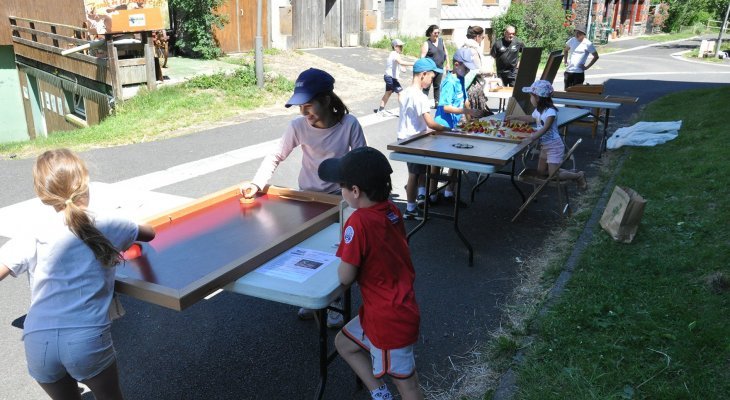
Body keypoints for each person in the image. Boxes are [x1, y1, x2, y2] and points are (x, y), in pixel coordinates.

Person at [0, 148, 155, 400]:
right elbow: (149, 233)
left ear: (43, 196)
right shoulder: (109, 223)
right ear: (85, 184)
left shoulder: (32, 232)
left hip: (38, 341)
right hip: (86, 338)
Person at [240, 67, 366, 328]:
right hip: (308, 199)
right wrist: (257, 183)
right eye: (300, 107)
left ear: (327, 100)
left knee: (339, 253)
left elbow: (362, 160)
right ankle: (311, 298)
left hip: (339, 200)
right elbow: (276, 155)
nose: (304, 113)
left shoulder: (349, 124)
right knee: (307, 251)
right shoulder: (298, 126)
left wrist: (359, 200)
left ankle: (336, 303)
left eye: (309, 106)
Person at [318, 146, 423, 400]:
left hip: (388, 320)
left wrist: (346, 254)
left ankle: (384, 392)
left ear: (355, 191)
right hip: (391, 308)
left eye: (342, 185)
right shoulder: (391, 209)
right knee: (344, 343)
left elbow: (345, 277)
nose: (340, 190)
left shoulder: (359, 221)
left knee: (408, 386)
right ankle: (379, 394)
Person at [432, 48, 490, 205]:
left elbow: (465, 100)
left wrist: (470, 120)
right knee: (437, 162)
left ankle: (449, 193)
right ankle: (432, 195)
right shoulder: (449, 82)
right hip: (442, 126)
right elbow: (445, 107)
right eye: (466, 67)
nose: (468, 70)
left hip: (455, 125)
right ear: (457, 64)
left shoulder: (461, 78)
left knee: (456, 160)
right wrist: (467, 110)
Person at [505, 80, 587, 189]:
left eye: (531, 96)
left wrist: (532, 138)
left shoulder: (550, 112)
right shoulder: (539, 110)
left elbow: (545, 128)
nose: (530, 99)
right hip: (545, 146)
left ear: (538, 98)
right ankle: (564, 171)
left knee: (553, 175)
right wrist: (516, 117)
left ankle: (578, 176)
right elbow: (531, 118)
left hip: (554, 146)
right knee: (542, 171)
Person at [397, 58, 446, 219]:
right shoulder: (420, 96)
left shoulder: (405, 93)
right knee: (414, 174)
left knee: (419, 171)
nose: (432, 81)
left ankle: (419, 197)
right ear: (423, 74)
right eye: (431, 77)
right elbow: (431, 123)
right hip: (414, 140)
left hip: (406, 138)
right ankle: (410, 208)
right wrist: (448, 129)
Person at [375, 39, 414, 116]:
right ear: (395, 47)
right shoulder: (394, 54)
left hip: (389, 77)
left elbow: (399, 64)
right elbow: (401, 62)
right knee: (401, 93)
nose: (401, 47)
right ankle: (403, 111)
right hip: (390, 78)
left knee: (388, 93)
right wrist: (414, 63)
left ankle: (380, 110)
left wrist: (402, 67)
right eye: (400, 46)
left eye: (402, 46)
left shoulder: (394, 54)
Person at [462, 25, 496, 114]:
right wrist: (489, 72)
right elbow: (477, 70)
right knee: (476, 116)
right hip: (472, 86)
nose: (482, 39)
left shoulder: (463, 47)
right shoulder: (473, 50)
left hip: (463, 84)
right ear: (477, 37)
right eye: (483, 37)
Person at [420, 25, 450, 109]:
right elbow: (422, 57)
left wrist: (448, 64)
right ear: (430, 33)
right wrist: (423, 69)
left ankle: (437, 104)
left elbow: (446, 53)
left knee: (437, 86)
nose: (437, 34)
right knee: (426, 86)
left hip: (440, 68)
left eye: (438, 33)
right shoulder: (427, 43)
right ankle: (423, 104)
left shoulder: (441, 41)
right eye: (435, 33)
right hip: (430, 69)